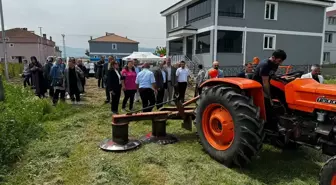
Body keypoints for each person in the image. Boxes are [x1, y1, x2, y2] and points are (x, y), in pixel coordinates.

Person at [252, 49, 289, 130]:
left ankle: (288, 114)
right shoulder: (265, 65)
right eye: (279, 61)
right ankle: (273, 127)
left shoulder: (275, 64)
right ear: (273, 57)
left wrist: (283, 80)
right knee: (268, 104)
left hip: (266, 83)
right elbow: (265, 83)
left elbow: (271, 75)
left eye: (281, 61)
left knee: (281, 93)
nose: (280, 63)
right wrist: (269, 97)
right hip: (258, 86)